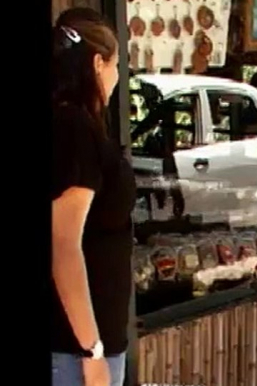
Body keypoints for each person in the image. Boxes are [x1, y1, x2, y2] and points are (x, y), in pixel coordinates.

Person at [52, 9, 136, 386]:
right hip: (74, 349)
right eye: (117, 64)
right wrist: (92, 350)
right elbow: (63, 245)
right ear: (98, 63)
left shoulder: (71, 125)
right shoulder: (75, 129)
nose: (118, 76)